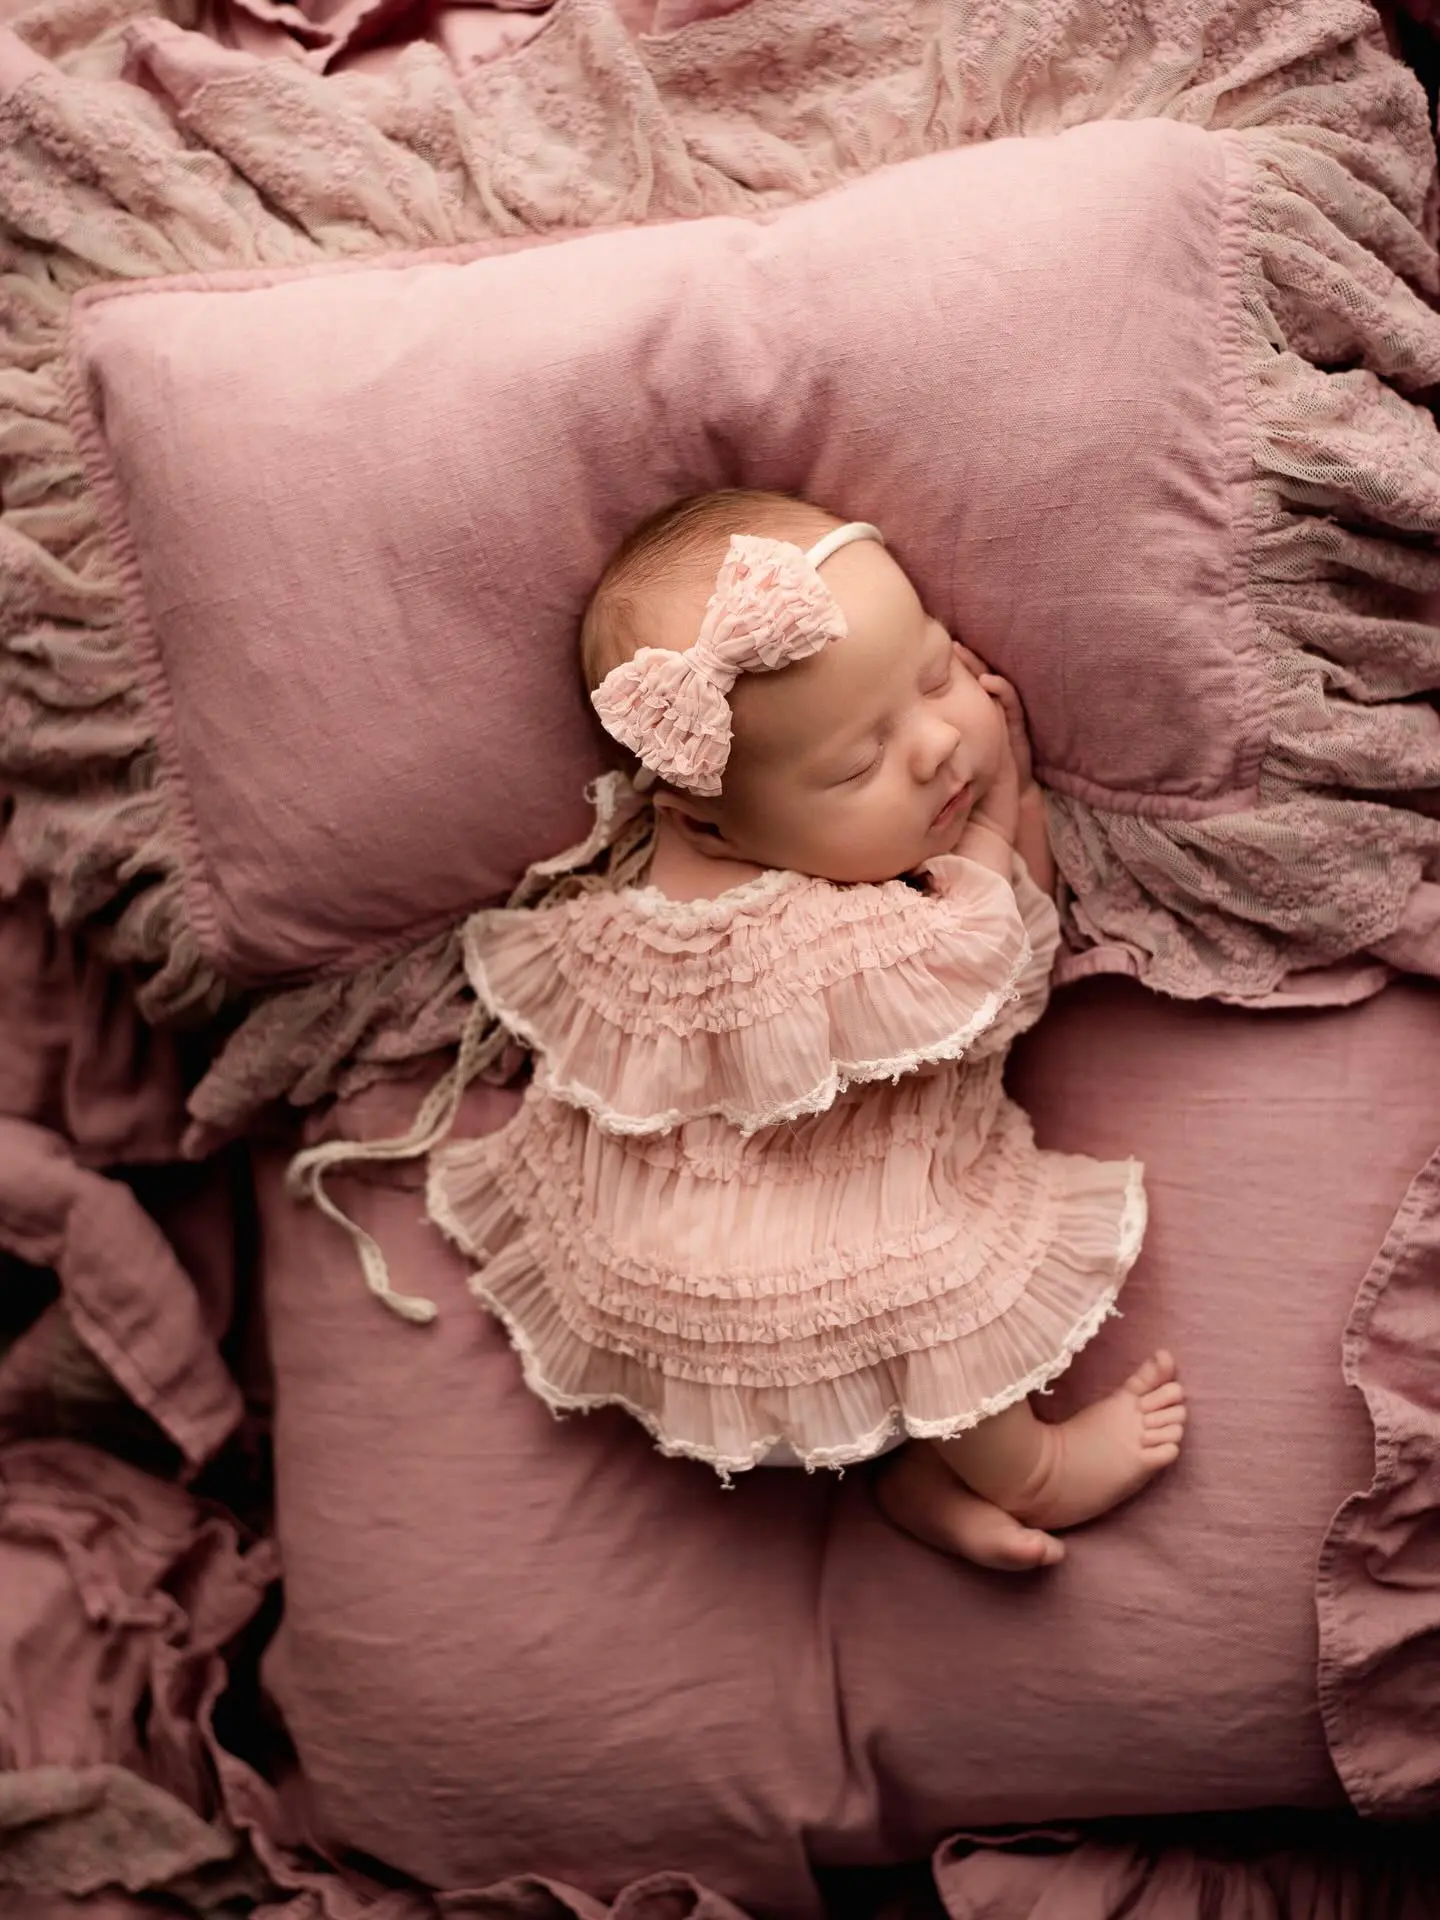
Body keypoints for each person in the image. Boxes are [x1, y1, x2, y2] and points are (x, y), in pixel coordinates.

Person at [428, 490, 1186, 1571]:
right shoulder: (841, 941)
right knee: (932, 1294)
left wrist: (926, 793)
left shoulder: (670, 886)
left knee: (892, 1304)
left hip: (701, 1310)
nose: (935, 748)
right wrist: (1004, 805)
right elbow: (1011, 966)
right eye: (854, 766)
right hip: (791, 1305)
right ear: (707, 819)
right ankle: (1032, 1471)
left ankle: (914, 1481)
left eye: (934, 674)